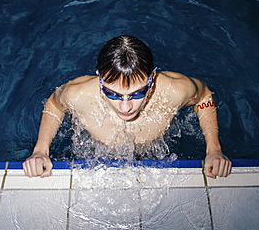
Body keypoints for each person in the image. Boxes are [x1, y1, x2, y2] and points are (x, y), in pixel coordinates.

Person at [23, 35, 232, 179]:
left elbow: (204, 96)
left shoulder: (174, 90)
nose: (126, 107)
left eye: (138, 93)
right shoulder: (78, 94)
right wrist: (40, 150)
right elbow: (54, 105)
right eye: (112, 93)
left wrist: (214, 149)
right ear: (100, 78)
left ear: (152, 79)